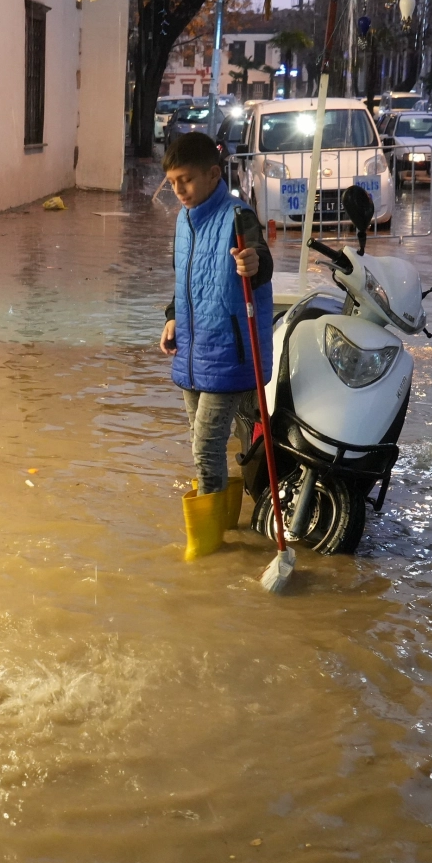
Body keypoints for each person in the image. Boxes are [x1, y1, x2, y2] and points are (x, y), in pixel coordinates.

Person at [158, 132, 273, 560]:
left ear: (212, 173)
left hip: (229, 352)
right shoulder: (183, 221)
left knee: (205, 446)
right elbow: (182, 280)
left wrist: (254, 263)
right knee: (200, 439)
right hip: (192, 348)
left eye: (185, 180)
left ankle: (206, 549)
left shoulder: (238, 216)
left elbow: (261, 261)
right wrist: (171, 317)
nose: (179, 191)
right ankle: (227, 523)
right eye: (171, 182)